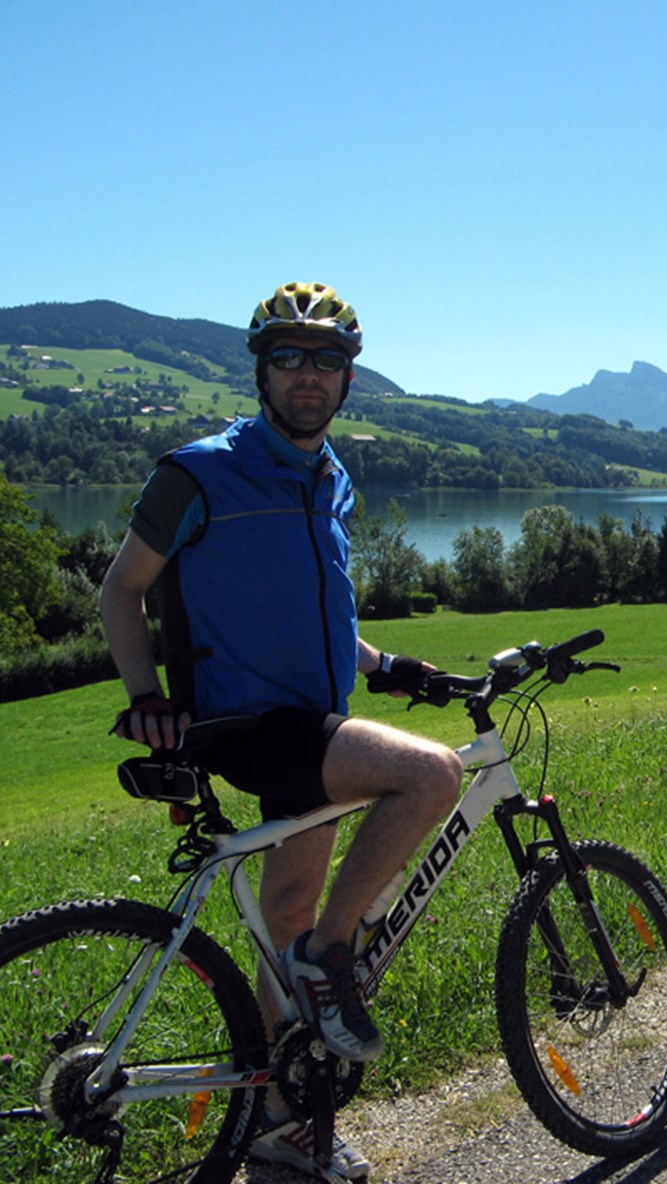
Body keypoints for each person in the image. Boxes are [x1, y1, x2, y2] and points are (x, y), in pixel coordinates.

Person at [100, 282, 459, 1182]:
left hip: (315, 728)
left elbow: (321, 607)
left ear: (348, 380)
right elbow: (121, 590)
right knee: (433, 776)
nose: (309, 374)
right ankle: (333, 961)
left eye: (327, 360)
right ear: (261, 371)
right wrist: (149, 698)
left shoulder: (330, 476)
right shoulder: (200, 472)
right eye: (290, 357)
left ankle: (276, 1117)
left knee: (285, 915)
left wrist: (385, 666)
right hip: (255, 727)